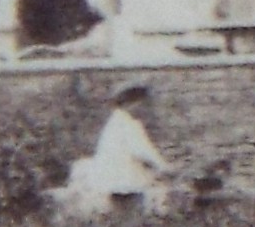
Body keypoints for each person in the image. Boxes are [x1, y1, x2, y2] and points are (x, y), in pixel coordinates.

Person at [56, 84, 179, 219]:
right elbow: (143, 150)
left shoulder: (116, 121)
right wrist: (164, 165)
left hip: (109, 175)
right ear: (133, 103)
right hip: (122, 174)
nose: (146, 109)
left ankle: (123, 220)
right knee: (150, 191)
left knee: (125, 203)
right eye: (144, 104)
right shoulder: (129, 124)